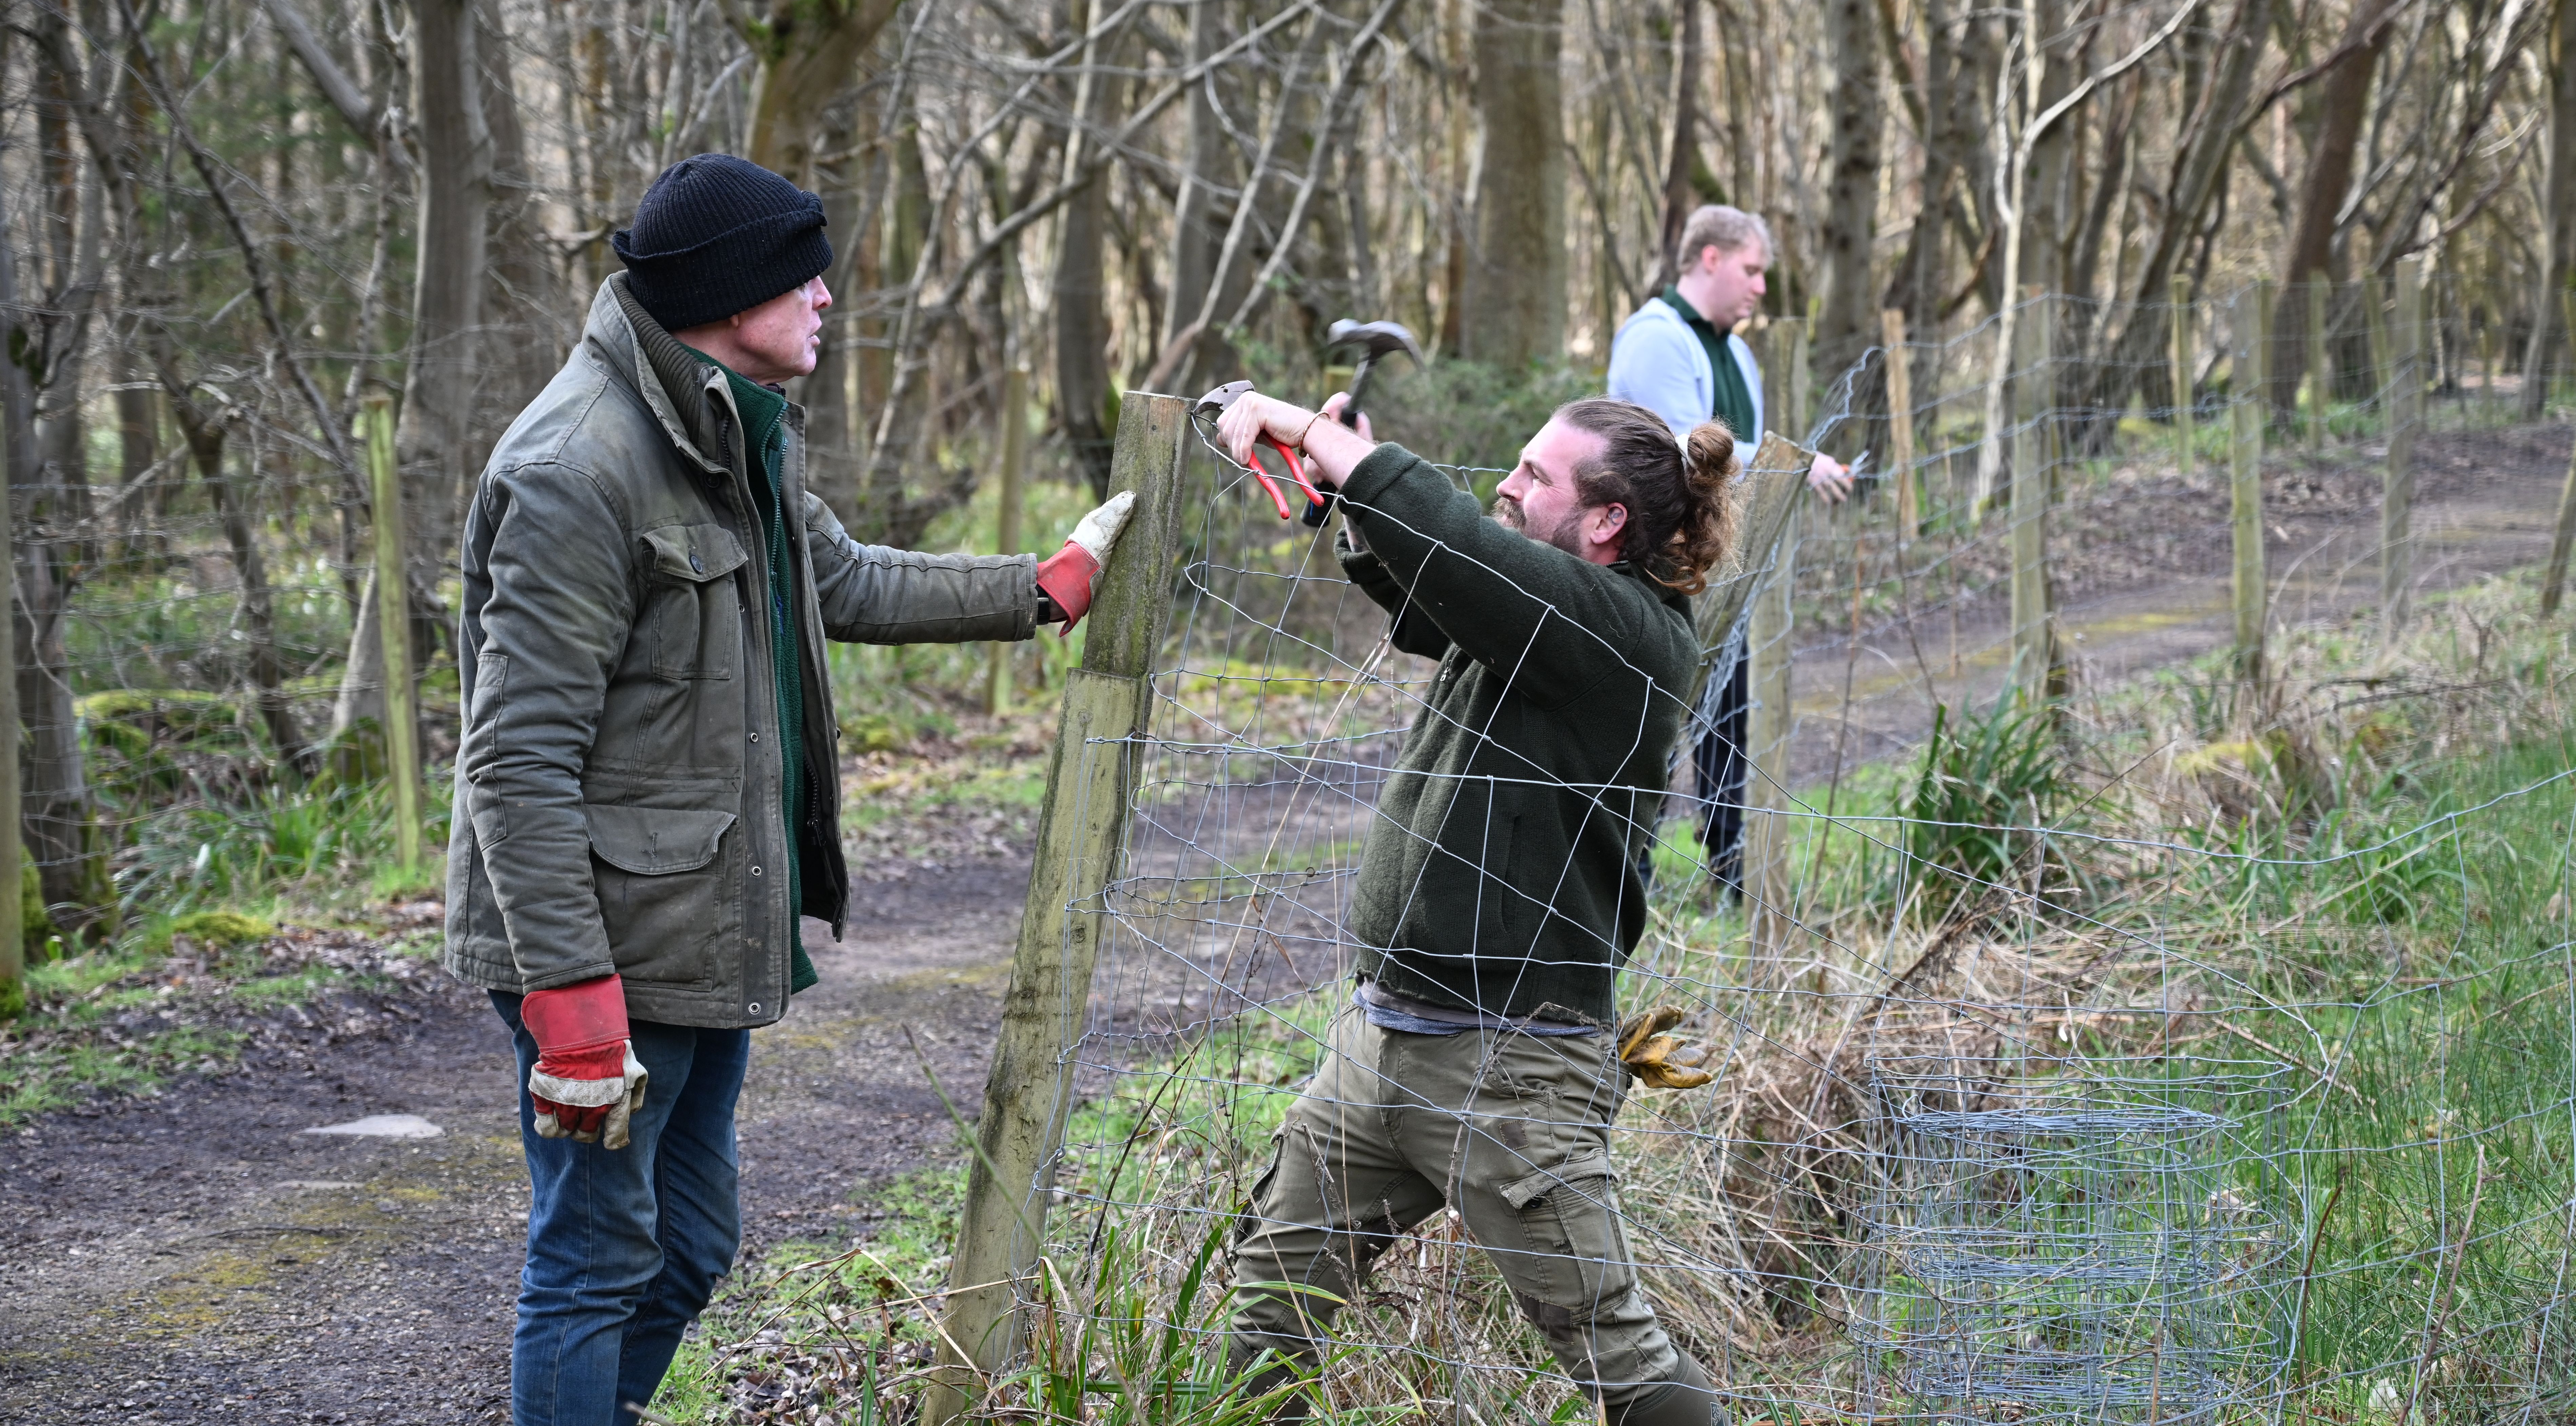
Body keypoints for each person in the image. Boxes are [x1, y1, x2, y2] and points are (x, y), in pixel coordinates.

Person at [440, 152, 1134, 1426]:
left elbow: (849, 581)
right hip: (603, 941)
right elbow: (514, 756)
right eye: (799, 275)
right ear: (725, 291)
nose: (824, 298)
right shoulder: (577, 469)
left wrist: (1041, 586)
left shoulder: (728, 427)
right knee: (594, 1258)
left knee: (690, 1242)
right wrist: (572, 1000)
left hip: (701, 915)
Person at [1204, 386, 1739, 1426]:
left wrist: (1320, 436)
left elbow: (1464, 556)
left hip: (1512, 1070)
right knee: (1269, 1301)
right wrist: (1338, 494)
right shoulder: (1525, 618)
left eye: (1535, 476)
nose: (1506, 480)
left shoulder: (1628, 635)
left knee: (1615, 1355)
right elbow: (1437, 588)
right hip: (1380, 1041)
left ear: (1605, 522)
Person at [1605, 205, 1850, 893]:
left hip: (1719, 567)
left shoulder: (1738, 352)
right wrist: (1796, 464)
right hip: (1652, 565)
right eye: (1752, 269)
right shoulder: (1655, 339)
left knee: (1728, 710)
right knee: (1649, 718)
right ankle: (1631, 868)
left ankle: (1729, 859)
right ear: (1709, 259)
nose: (1761, 287)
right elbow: (1685, 449)